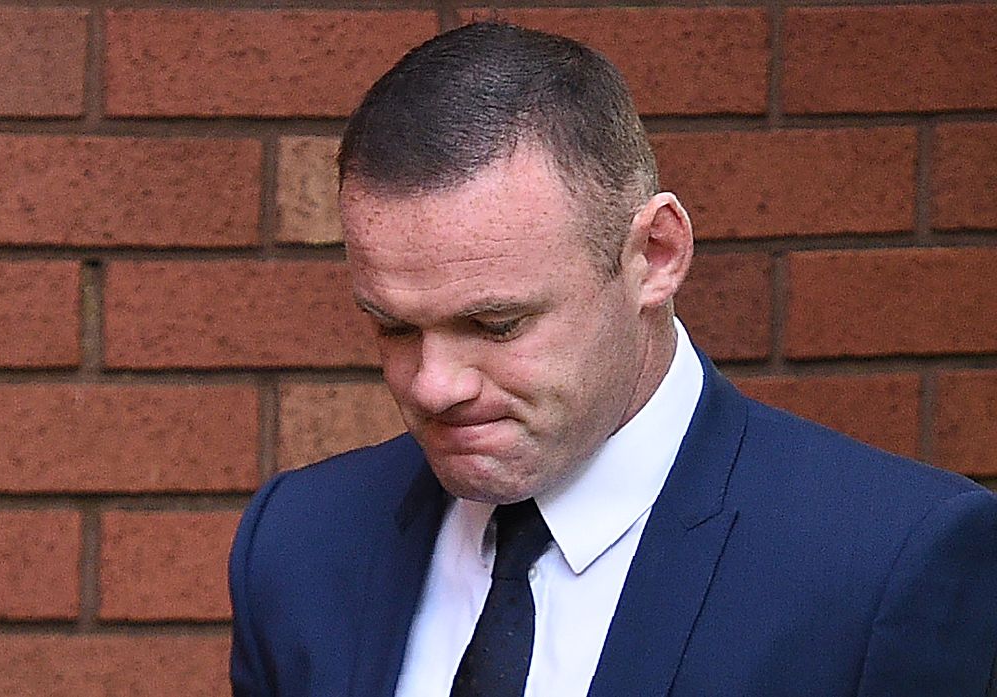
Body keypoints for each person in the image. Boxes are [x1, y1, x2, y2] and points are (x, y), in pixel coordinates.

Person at [229, 22, 997, 697]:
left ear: (655, 256)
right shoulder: (299, 542)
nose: (433, 385)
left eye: (496, 323)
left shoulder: (887, 564)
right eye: (394, 328)